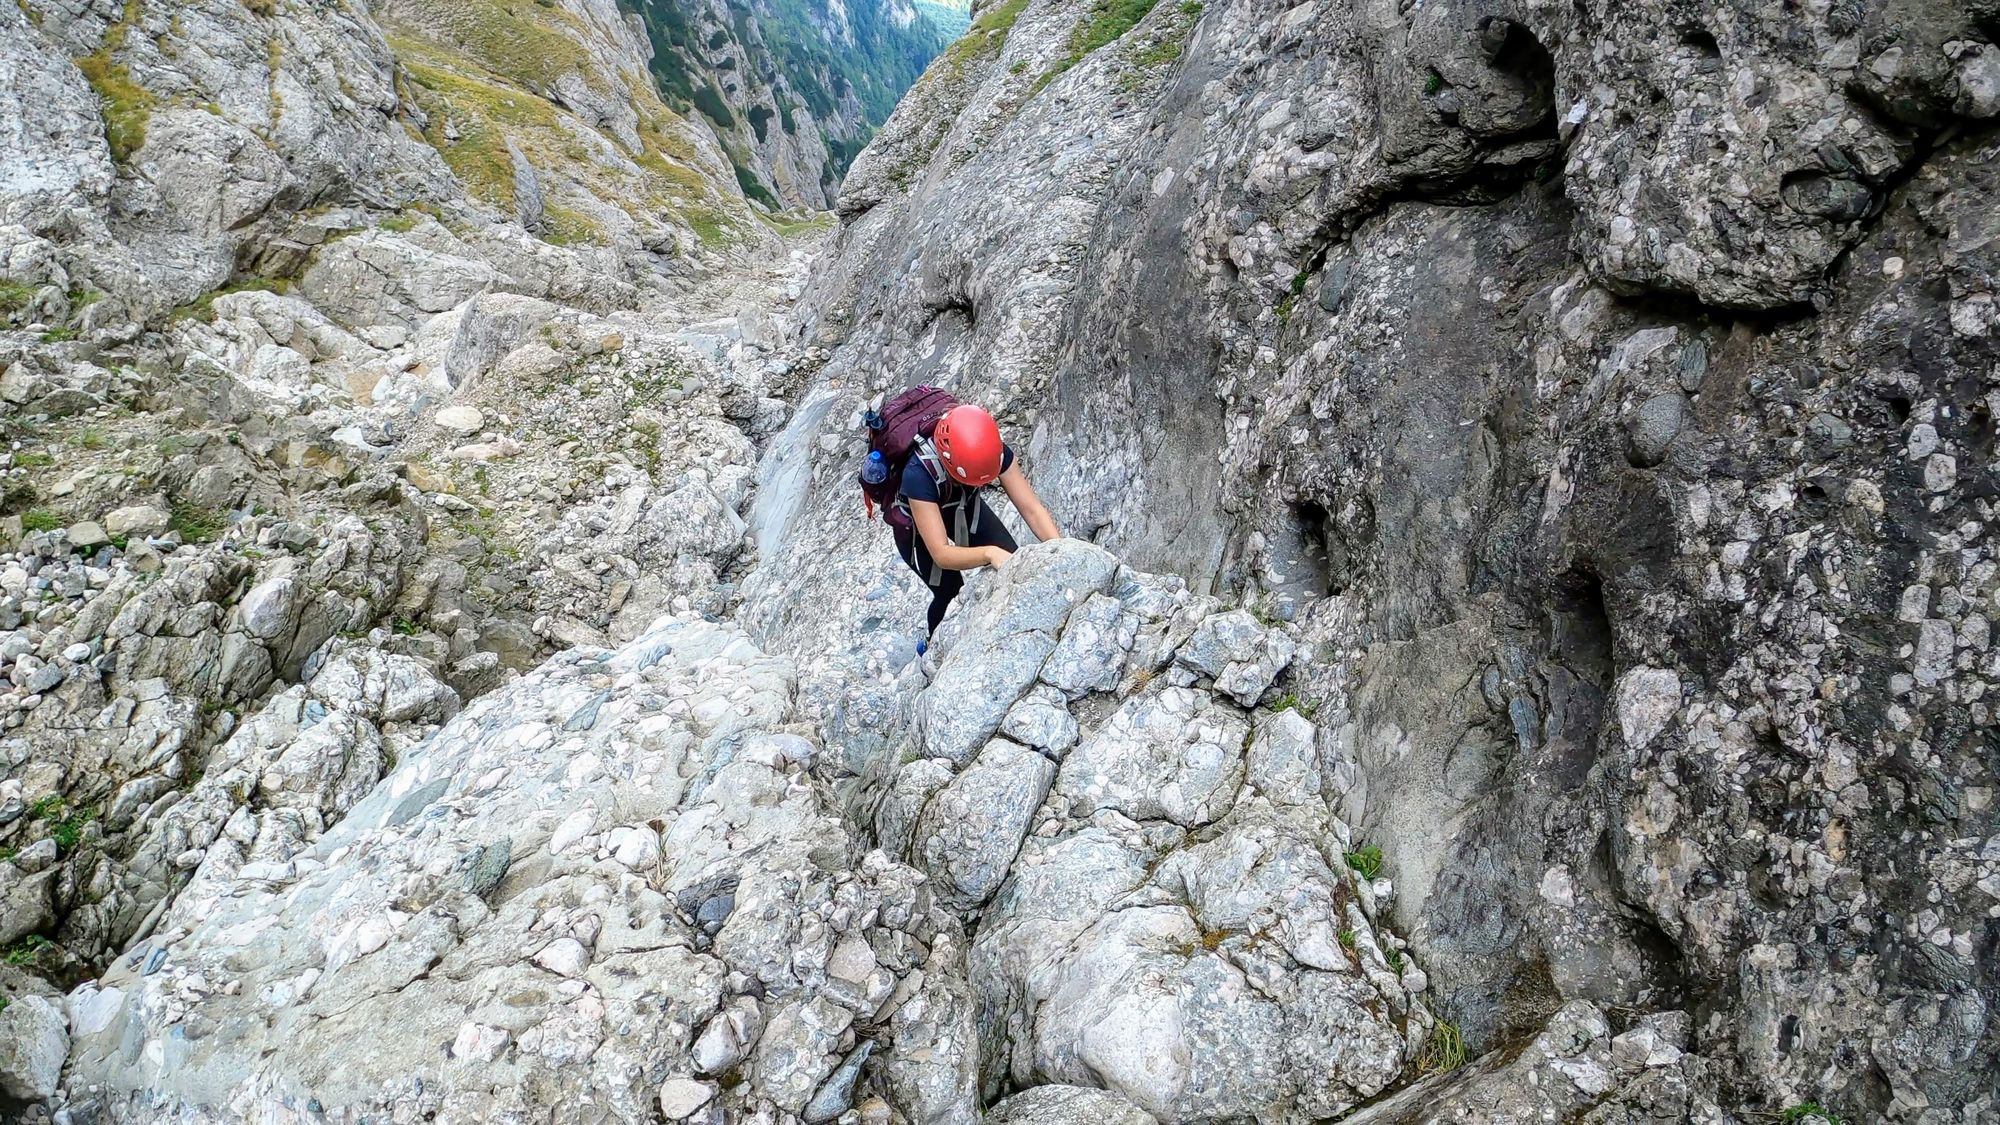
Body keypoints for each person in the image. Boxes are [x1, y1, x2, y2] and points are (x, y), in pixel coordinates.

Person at [892, 404, 1061, 641]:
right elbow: (941, 554)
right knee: (948, 591)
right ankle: (934, 650)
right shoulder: (918, 473)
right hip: (916, 525)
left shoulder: (991, 450)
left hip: (961, 501)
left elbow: (1031, 509)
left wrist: (1062, 549)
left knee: (1011, 558)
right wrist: (989, 553)